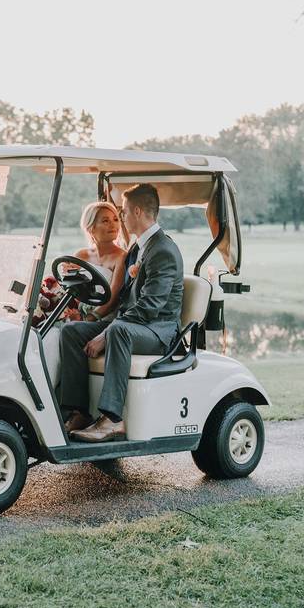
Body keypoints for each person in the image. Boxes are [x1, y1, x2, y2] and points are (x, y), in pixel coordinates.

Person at [58, 183, 184, 443]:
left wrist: (105, 334)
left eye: (124, 212)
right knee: (72, 332)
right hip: (133, 325)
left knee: (118, 330)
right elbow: (127, 300)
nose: (122, 218)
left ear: (137, 211)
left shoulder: (162, 250)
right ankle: (78, 410)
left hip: (159, 331)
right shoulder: (139, 248)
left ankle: (112, 420)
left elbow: (150, 307)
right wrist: (96, 321)